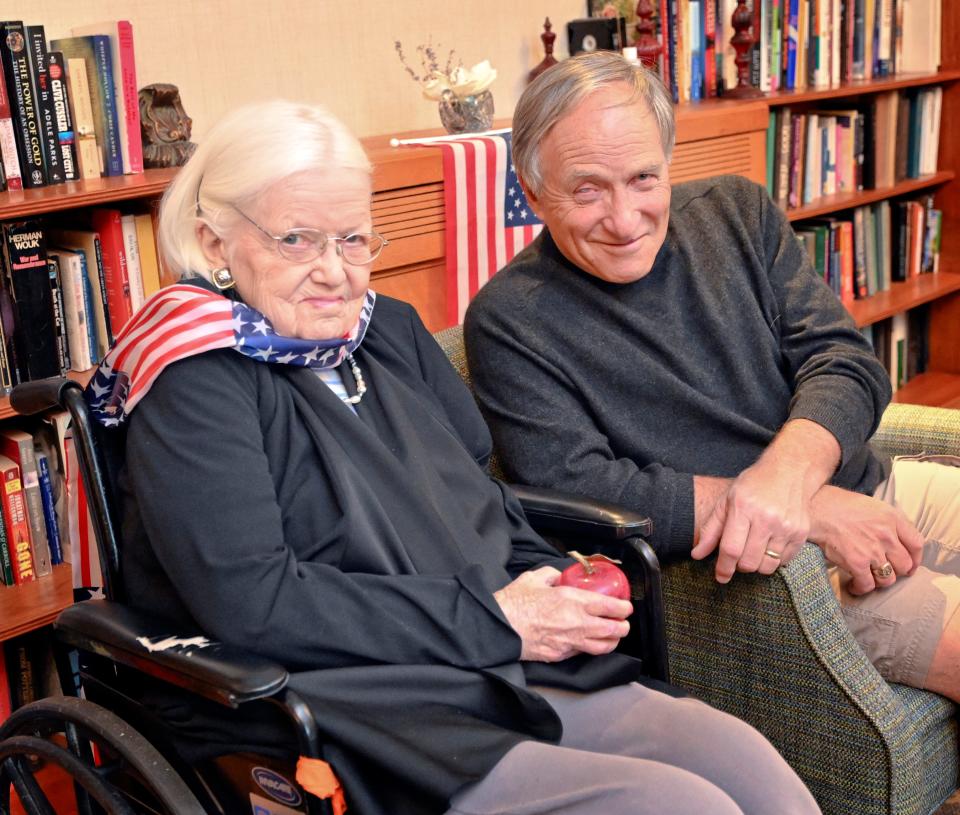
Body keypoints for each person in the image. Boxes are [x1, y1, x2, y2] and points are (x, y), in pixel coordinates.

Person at [90, 99, 821, 815]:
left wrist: (551, 579)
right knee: (679, 804)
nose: (335, 271)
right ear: (214, 243)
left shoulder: (386, 332)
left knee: (747, 764)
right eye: (297, 240)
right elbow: (256, 601)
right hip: (334, 696)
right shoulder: (194, 375)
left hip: (478, 656)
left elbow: (476, 498)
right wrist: (497, 617)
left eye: (352, 240)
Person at [463, 51, 960, 704]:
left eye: (643, 178)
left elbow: (844, 360)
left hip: (875, 486)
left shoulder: (738, 212)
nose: (624, 217)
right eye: (588, 189)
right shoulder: (508, 319)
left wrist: (790, 481)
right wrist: (806, 512)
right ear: (532, 192)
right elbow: (583, 489)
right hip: (772, 579)